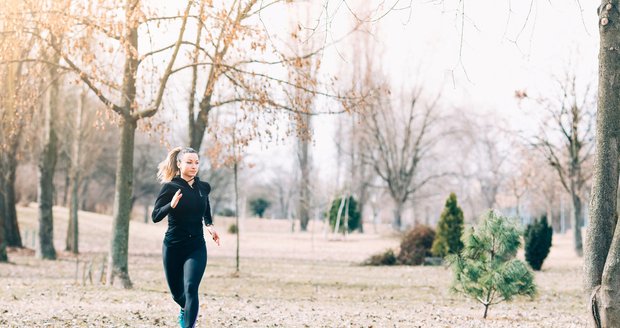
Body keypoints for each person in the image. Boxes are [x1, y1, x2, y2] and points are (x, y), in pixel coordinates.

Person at [152, 146, 220, 328]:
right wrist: (171, 205)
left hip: (196, 246)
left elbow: (205, 207)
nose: (194, 166)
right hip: (173, 246)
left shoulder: (203, 188)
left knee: (191, 288)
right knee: (177, 294)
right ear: (179, 164)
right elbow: (155, 216)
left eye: (196, 162)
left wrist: (209, 225)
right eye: (189, 162)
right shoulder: (170, 187)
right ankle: (185, 309)